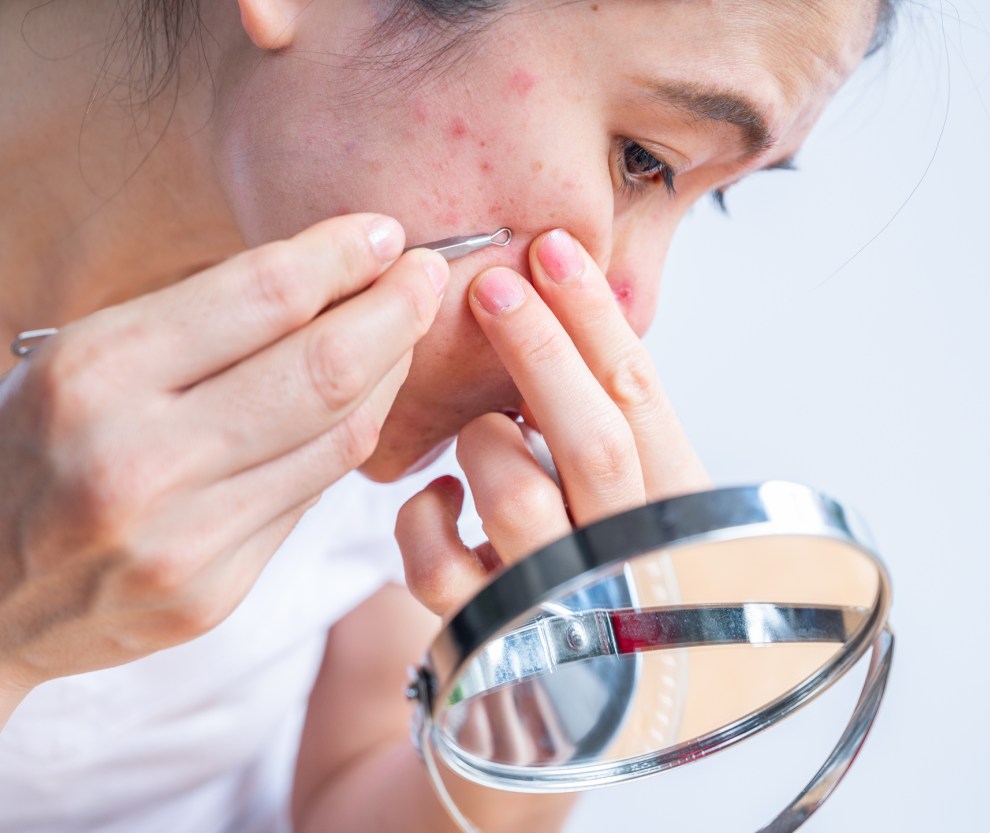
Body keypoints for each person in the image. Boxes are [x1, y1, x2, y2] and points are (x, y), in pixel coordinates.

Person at [0, 0, 895, 830]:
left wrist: (537, 728)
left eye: (718, 193)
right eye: (644, 159)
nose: (635, 311)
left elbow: (342, 790)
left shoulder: (387, 404)